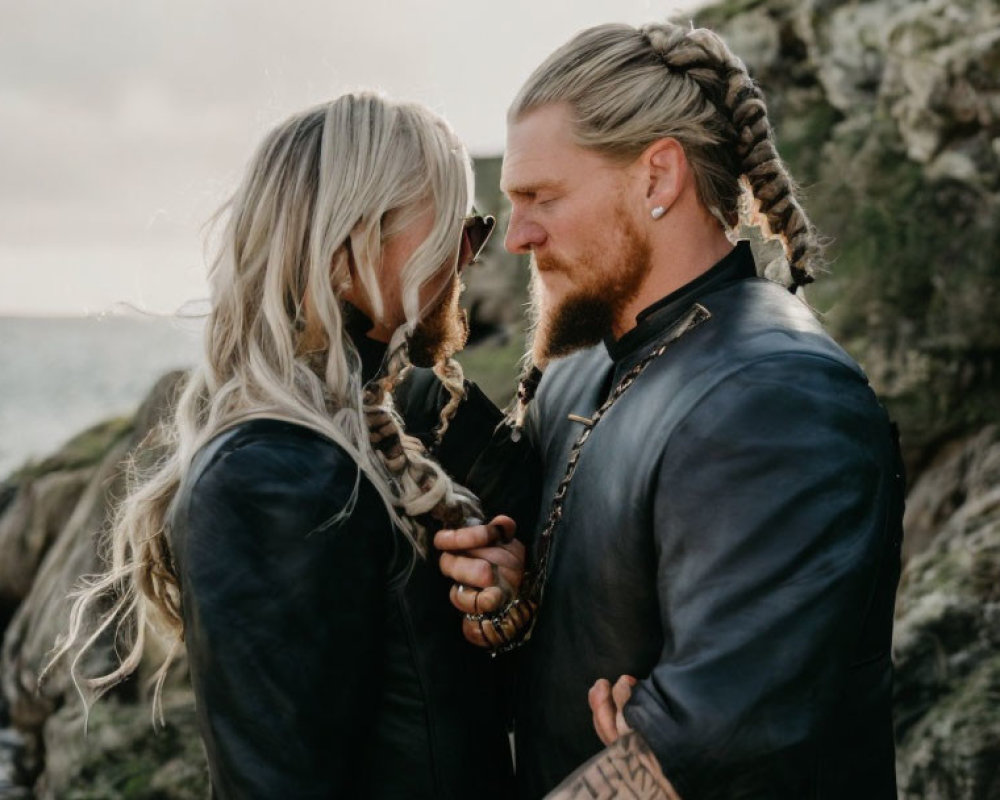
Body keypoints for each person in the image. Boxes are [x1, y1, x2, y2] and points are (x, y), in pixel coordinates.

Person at [437, 21, 905, 800]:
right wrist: (517, 599)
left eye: (541, 197)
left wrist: (656, 748)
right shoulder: (580, 367)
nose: (515, 237)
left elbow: (712, 742)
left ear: (658, 177)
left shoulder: (776, 398)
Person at [43, 93, 524, 798]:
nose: (472, 257)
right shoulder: (273, 478)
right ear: (346, 247)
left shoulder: (352, 439)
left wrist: (508, 611)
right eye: (457, 227)